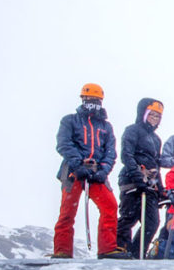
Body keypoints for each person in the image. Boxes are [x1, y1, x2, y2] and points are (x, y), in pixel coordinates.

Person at [53, 83, 127, 259]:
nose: (92, 103)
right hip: (73, 173)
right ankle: (62, 251)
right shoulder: (69, 120)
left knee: (110, 206)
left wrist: (103, 170)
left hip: (97, 175)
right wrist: (78, 164)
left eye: (96, 100)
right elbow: (64, 143)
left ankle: (107, 249)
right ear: (82, 99)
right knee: (67, 212)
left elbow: (111, 151)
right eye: (89, 99)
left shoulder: (106, 127)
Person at [116, 98, 164, 258]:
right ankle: (120, 249)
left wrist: (161, 190)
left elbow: (156, 165)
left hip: (150, 184)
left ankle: (136, 252)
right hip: (131, 181)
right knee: (128, 218)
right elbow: (126, 155)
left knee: (152, 222)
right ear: (143, 113)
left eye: (158, 116)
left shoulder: (156, 140)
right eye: (152, 115)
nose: (155, 119)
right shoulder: (132, 130)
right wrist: (137, 176)